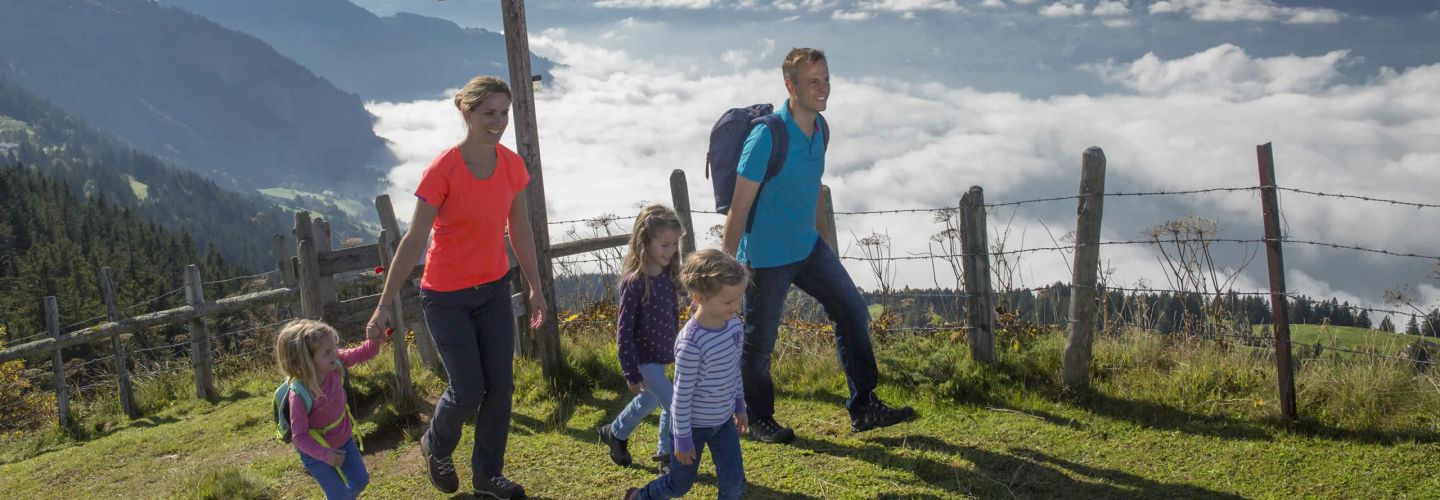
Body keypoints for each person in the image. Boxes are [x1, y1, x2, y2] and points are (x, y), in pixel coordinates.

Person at [366, 75, 547, 500]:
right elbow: (413, 241)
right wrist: (384, 303)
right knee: (467, 390)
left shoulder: (511, 166)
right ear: (466, 112)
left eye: (504, 113)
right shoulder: (442, 169)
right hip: (445, 296)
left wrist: (535, 287)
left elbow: (519, 231)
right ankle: (437, 443)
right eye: (489, 113)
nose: (499, 122)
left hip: (493, 291)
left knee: (500, 387)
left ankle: (488, 476)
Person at [721, 48, 915, 444]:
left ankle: (864, 406)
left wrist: (824, 246)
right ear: (790, 86)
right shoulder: (766, 137)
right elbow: (738, 210)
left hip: (808, 248)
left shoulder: (821, 129)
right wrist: (726, 272)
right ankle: (758, 418)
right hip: (765, 258)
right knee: (759, 344)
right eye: (813, 81)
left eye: (826, 79)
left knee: (852, 310)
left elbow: (812, 191)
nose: (823, 88)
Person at [626, 249, 749, 500]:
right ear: (699, 297)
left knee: (735, 483)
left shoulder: (734, 326)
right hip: (691, 427)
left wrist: (739, 405)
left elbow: (733, 369)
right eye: (728, 301)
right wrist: (682, 440)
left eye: (739, 298)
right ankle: (639, 497)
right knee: (679, 485)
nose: (736, 306)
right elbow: (680, 398)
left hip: (723, 421)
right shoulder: (691, 343)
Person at [597, 205, 684, 472]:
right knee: (673, 402)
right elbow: (623, 331)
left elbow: (673, 315)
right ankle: (666, 456)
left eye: (674, 245)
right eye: (664, 244)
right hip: (642, 360)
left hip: (660, 357)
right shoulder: (634, 282)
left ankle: (616, 432)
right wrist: (630, 372)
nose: (670, 251)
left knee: (650, 401)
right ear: (645, 242)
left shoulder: (669, 278)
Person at [275, 319, 386, 500]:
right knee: (339, 495)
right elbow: (300, 437)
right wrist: (325, 455)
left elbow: (361, 353)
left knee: (360, 481)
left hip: (343, 439)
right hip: (316, 453)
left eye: (334, 348)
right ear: (305, 362)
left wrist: (374, 341)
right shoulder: (299, 395)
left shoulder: (335, 363)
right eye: (327, 352)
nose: (335, 353)